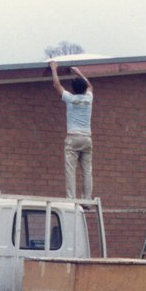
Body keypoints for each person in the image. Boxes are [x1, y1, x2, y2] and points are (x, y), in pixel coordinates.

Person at [49, 60, 93, 200]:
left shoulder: (70, 98)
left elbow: (57, 85)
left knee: (70, 170)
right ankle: (86, 200)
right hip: (87, 139)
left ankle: (71, 199)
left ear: (73, 89)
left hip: (73, 138)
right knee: (87, 171)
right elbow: (90, 86)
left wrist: (53, 69)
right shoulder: (88, 99)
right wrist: (78, 71)